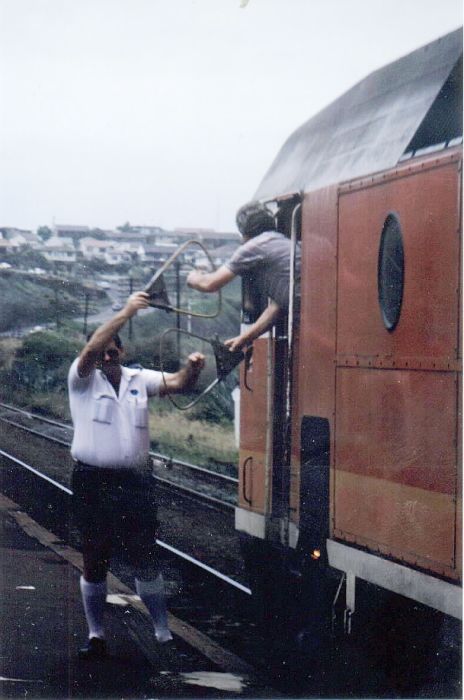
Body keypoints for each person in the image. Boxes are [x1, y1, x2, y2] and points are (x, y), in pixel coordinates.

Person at [68, 291, 205, 659]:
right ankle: (96, 635)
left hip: (134, 483)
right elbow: (92, 348)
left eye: (114, 351)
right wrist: (127, 310)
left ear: (123, 353)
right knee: (95, 559)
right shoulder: (81, 379)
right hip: (92, 481)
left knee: (146, 557)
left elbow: (179, 384)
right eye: (103, 351)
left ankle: (163, 634)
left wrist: (192, 368)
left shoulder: (137, 378)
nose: (108, 356)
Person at [187, 202, 300, 351]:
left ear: (244, 231)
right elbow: (277, 307)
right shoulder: (283, 242)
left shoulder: (255, 246)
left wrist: (192, 277)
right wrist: (244, 339)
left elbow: (209, 284)